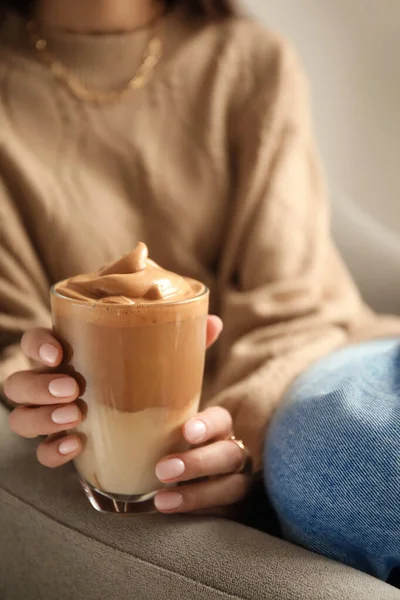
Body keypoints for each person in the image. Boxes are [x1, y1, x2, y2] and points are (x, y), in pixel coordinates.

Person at [0, 0, 399, 586]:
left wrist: (239, 433)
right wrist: (37, 390)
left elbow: (294, 305)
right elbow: (14, 334)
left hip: (317, 359)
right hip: (181, 428)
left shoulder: (250, 57)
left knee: (341, 445)